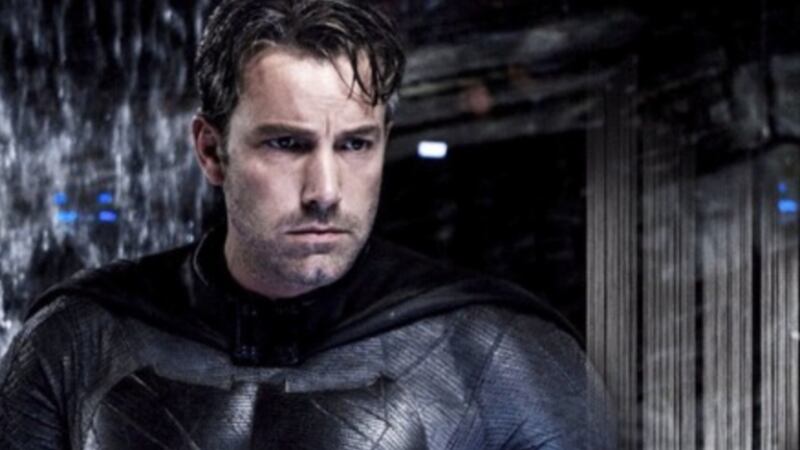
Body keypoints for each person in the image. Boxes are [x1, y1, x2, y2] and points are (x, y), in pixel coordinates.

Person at [0, 0, 613, 448]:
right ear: (211, 151)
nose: (325, 192)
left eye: (354, 145)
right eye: (287, 144)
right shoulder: (76, 342)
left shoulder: (503, 359)